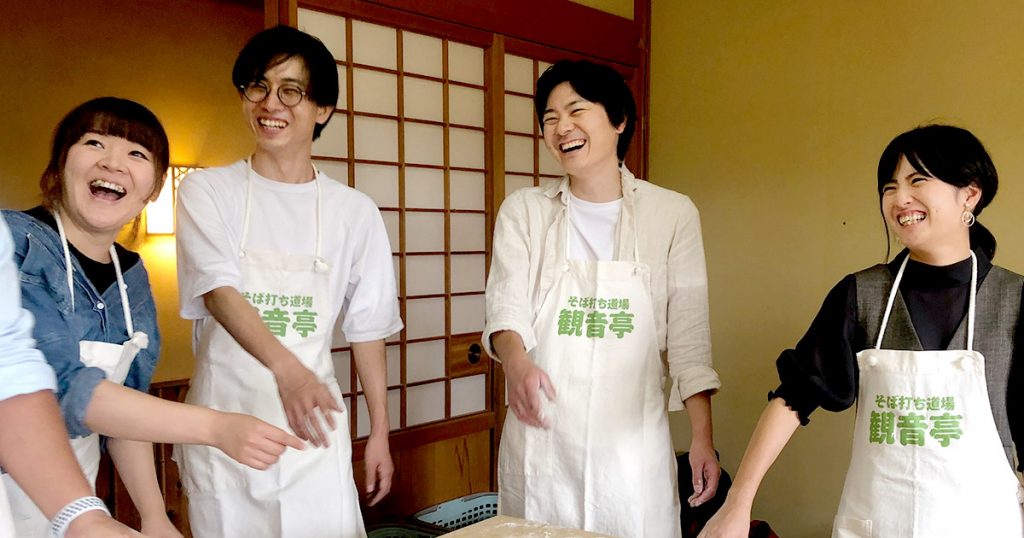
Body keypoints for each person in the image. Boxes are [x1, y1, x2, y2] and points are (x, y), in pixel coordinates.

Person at [699, 125, 1024, 537]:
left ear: (970, 195)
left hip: (984, 524)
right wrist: (738, 503)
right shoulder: (862, 294)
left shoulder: (1015, 300)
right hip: (878, 524)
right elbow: (794, 397)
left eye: (917, 180)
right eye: (889, 187)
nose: (899, 199)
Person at [2, 97, 305, 538]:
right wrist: (216, 427)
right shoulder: (15, 242)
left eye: (136, 153)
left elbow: (127, 406)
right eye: (94, 143)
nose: (113, 163)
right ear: (60, 165)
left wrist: (153, 515)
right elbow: (59, 389)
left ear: (155, 189)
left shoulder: (131, 275)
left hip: (74, 501)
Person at [174, 25, 402, 537]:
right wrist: (287, 371)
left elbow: (369, 329)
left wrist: (379, 433)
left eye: (291, 91)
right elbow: (218, 292)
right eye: (258, 86)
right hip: (225, 425)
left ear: (322, 109)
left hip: (313, 432)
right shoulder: (208, 191)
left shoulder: (354, 212)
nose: (270, 103)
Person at [484, 59, 722, 537]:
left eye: (576, 111)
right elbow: (506, 308)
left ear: (619, 120)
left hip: (630, 452)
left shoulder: (671, 214)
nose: (561, 128)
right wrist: (516, 363)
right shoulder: (525, 211)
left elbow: (689, 338)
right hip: (543, 446)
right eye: (549, 118)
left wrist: (702, 436)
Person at [0, 214, 142, 538]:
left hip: (69, 477)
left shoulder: (132, 274)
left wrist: (82, 516)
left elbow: (9, 370)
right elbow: (69, 391)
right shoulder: (23, 239)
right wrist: (215, 427)